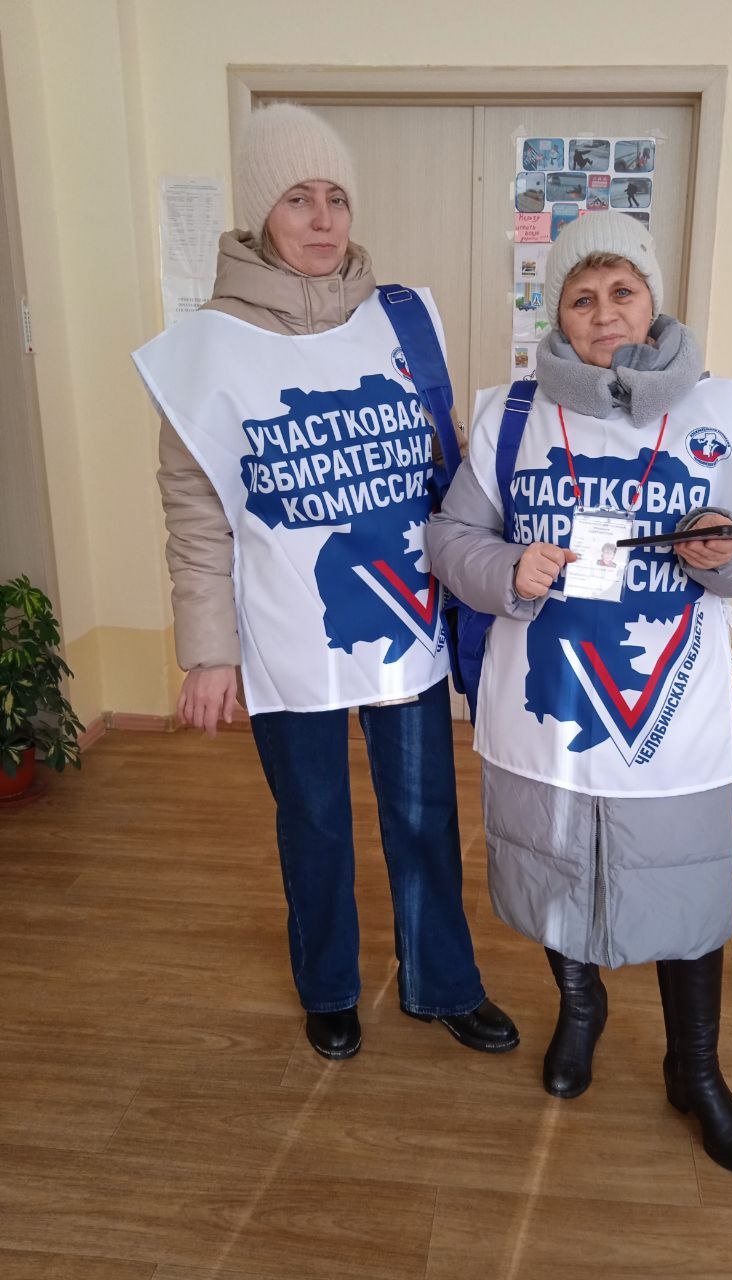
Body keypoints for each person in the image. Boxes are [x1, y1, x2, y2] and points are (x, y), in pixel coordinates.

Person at [134, 104, 518, 1062]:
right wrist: (207, 653)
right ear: (261, 212)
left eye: (336, 198)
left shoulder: (404, 321)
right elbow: (196, 518)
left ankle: (443, 983)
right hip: (284, 631)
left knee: (425, 814)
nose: (322, 219)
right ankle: (330, 987)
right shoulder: (202, 354)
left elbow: (448, 468)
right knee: (313, 820)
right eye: (298, 198)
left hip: (405, 620)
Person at [427, 211, 732, 1175]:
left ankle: (696, 1070)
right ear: (557, 313)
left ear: (653, 300)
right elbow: (450, 540)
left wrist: (727, 553)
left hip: (669, 713)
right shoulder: (510, 418)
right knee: (557, 869)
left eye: (622, 291)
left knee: (684, 885)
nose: (604, 313)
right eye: (581, 297)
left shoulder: (724, 417)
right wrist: (506, 567)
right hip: (549, 705)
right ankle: (580, 1010)